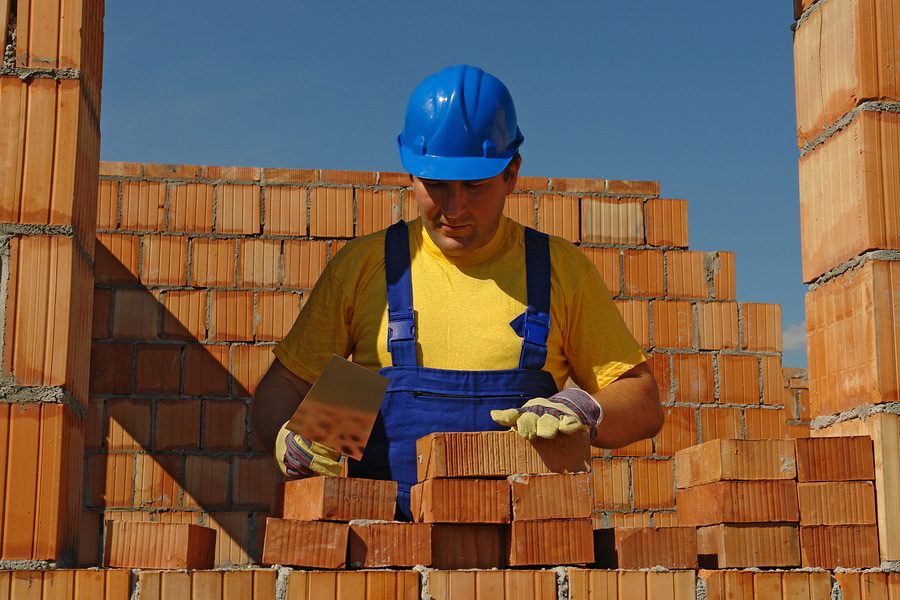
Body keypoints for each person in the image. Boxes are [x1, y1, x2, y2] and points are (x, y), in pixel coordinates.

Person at [252, 64, 663, 519]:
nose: (454, 208)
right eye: (436, 186)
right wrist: (292, 439)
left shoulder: (559, 271)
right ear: (411, 173)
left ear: (512, 174)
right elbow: (284, 389)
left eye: (474, 186)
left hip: (524, 557)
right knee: (350, 389)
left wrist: (584, 407)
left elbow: (643, 401)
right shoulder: (367, 267)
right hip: (388, 554)